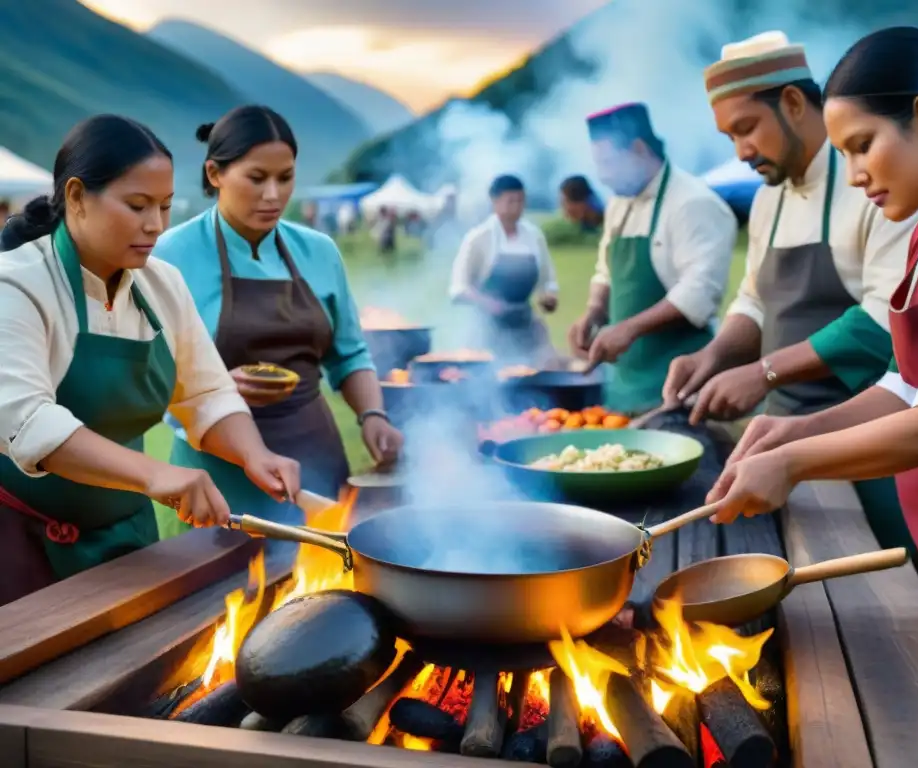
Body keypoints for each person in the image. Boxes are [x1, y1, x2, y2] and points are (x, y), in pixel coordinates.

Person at [706, 30, 918, 760]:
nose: (851, 174)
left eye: (860, 145)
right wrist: (792, 436)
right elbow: (905, 384)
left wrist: (794, 465)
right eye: (843, 152)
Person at [0, 115, 299, 607]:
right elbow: (30, 424)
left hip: (125, 541)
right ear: (75, 196)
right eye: (137, 206)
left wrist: (254, 453)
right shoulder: (19, 284)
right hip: (20, 545)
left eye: (163, 206)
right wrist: (156, 474)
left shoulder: (162, 284)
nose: (156, 226)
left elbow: (206, 394)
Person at [664, 31, 918, 551]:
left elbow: (885, 322)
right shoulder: (767, 200)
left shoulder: (876, 185)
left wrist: (763, 371)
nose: (741, 152)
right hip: (777, 442)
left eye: (747, 129)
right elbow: (753, 300)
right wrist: (712, 357)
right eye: (729, 138)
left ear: (795, 102)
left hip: (863, 442)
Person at [153, 106, 402, 541]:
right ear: (215, 174)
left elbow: (349, 353)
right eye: (256, 178)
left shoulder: (319, 251)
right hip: (214, 475)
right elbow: (152, 373)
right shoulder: (171, 255)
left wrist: (372, 415)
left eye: (285, 178)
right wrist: (215, 388)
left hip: (314, 459)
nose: (273, 194)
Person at [568, 103, 737, 413]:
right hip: (622, 387)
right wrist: (593, 311)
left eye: (608, 163)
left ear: (638, 148)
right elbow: (605, 269)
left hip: (677, 388)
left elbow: (699, 292)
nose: (602, 177)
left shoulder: (693, 203)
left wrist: (629, 328)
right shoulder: (620, 202)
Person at [449, 174, 560, 366]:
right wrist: (487, 302)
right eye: (511, 201)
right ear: (495, 201)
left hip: (526, 329)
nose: (517, 207)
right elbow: (458, 289)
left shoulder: (534, 236)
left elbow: (548, 281)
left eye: (521, 201)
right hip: (487, 331)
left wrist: (549, 297)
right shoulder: (478, 238)